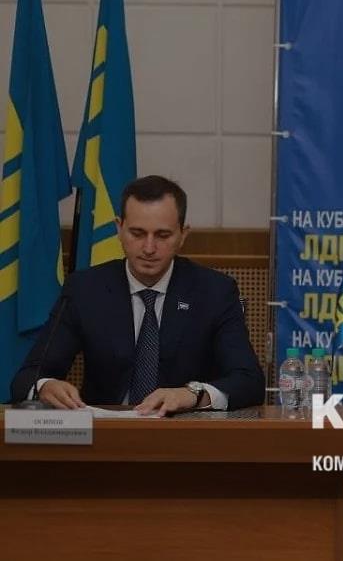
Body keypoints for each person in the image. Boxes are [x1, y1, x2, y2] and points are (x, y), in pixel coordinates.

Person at [10, 175, 265, 414]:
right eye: (138, 233)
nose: (149, 248)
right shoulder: (85, 289)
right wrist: (45, 386)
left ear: (183, 235)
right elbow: (26, 377)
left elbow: (250, 381)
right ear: (119, 229)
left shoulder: (214, 291)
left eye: (162, 235)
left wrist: (192, 394)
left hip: (185, 434)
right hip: (104, 436)